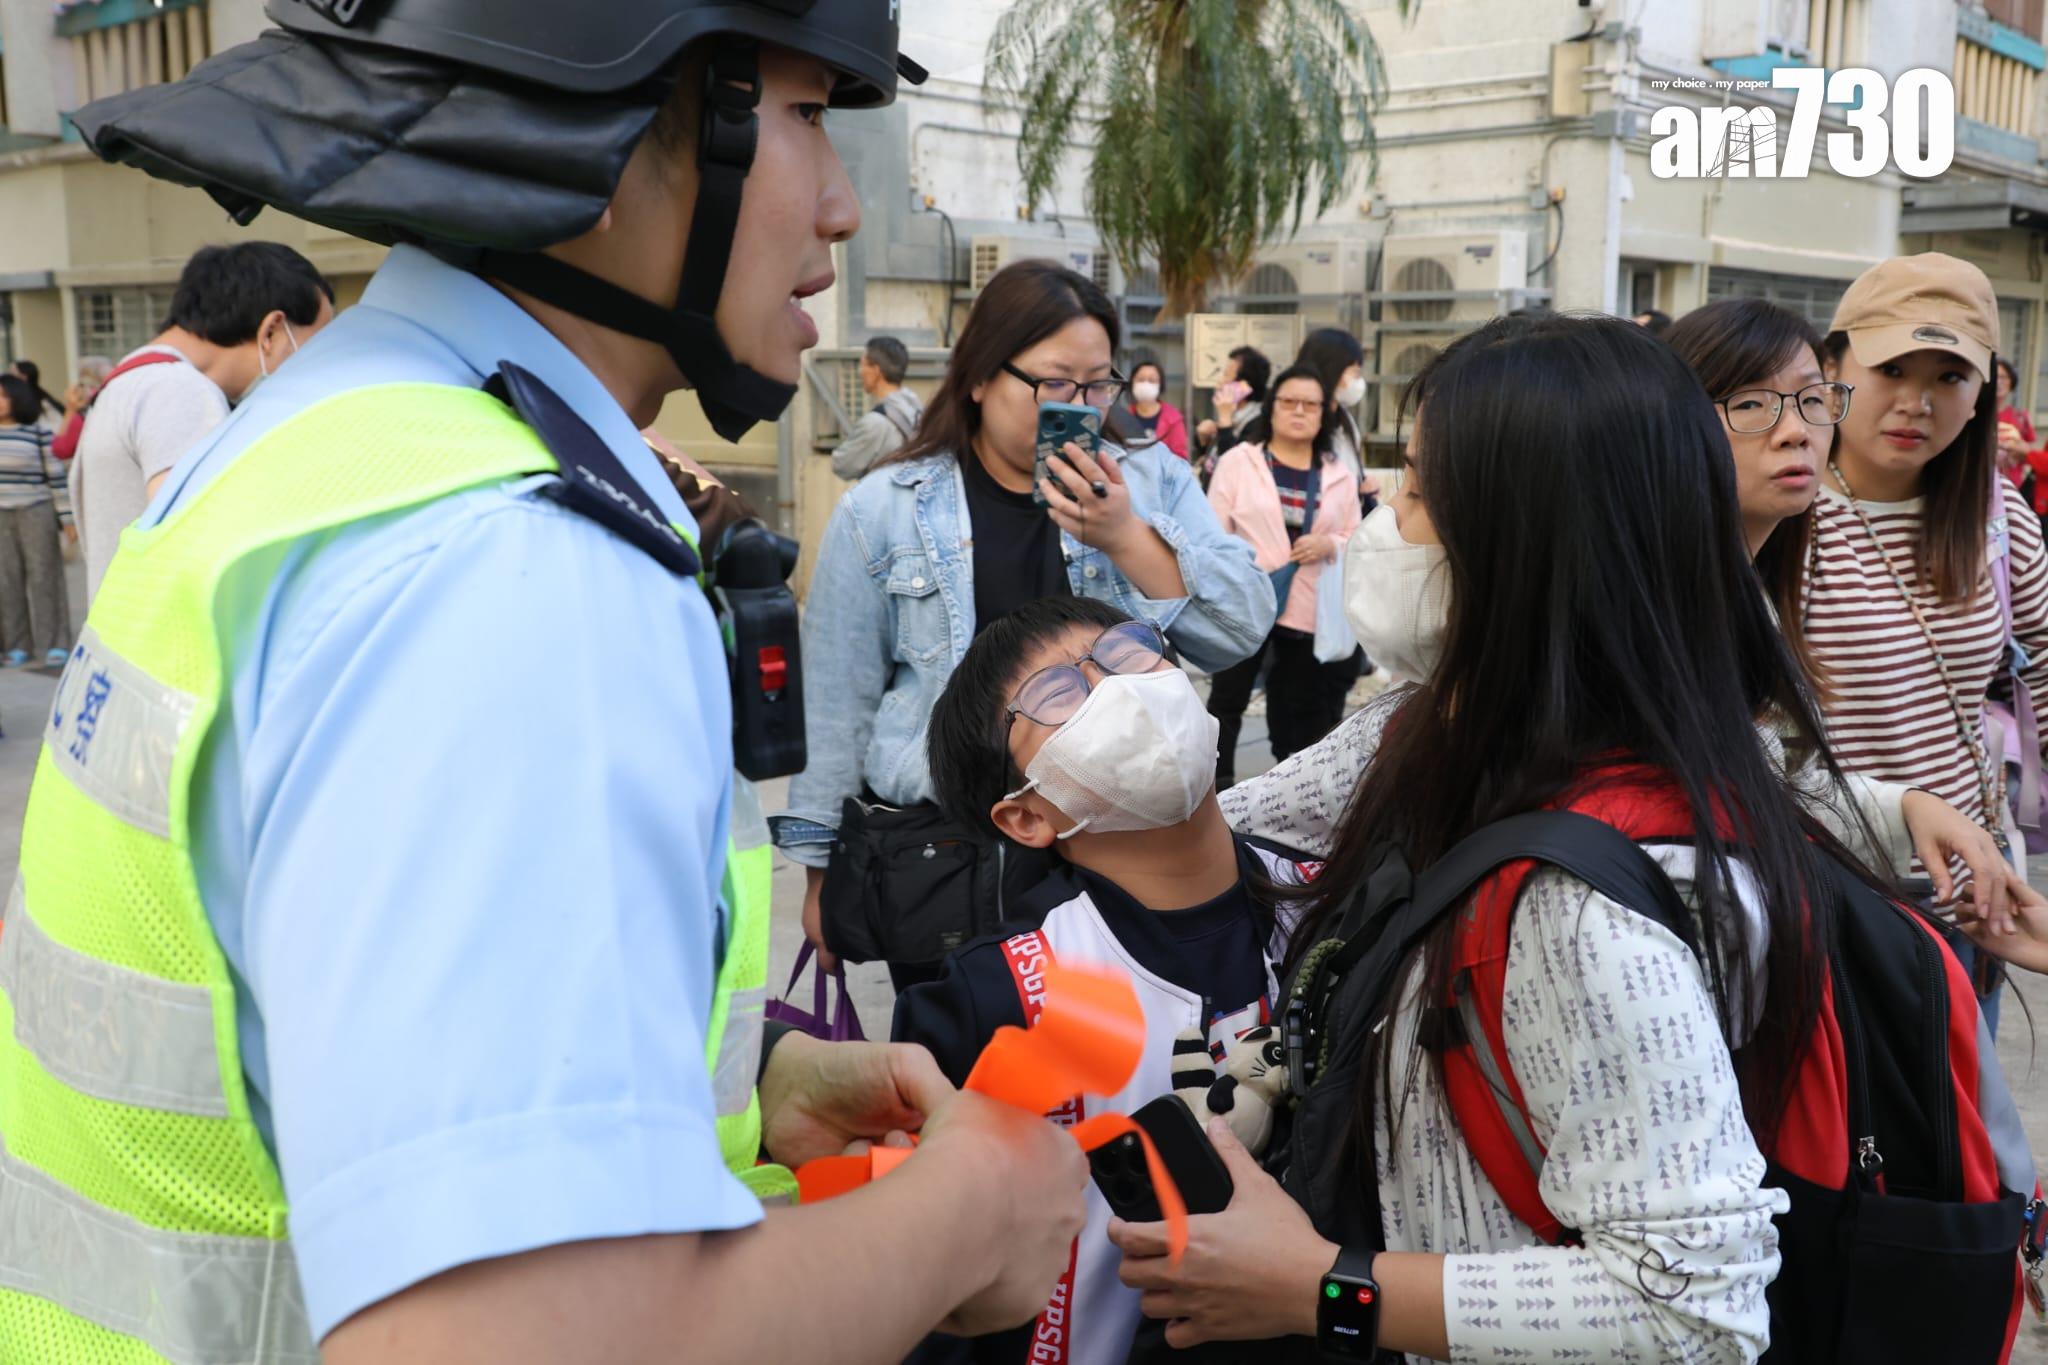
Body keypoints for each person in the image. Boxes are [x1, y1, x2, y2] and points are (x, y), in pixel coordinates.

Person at [18, 4, 1093, 1362]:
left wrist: (736, 1087)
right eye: (809, 116)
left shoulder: (335, 435)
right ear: (606, 126)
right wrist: (971, 1214)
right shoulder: (511, 564)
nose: (840, 205)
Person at [1108, 313, 2023, 1363]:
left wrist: (1321, 1289)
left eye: (1417, 496)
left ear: (1515, 545)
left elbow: (1695, 1307)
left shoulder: (1573, 904)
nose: (1384, 522)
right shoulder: (1451, 733)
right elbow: (1240, 826)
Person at [779, 258, 1272, 990]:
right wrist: (818, 869)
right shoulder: (884, 508)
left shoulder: (1149, 481)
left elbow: (1240, 628)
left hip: (1120, 843)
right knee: (960, 1042)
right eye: (1055, 384)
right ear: (980, 376)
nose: (1081, 406)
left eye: (1098, 384)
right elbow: (834, 699)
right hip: (949, 852)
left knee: (1119, 1045)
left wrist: (1125, 536)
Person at [894, 596, 1316, 1365]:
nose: (1118, 687)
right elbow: (937, 1288)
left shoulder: (1324, 901)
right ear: (1026, 817)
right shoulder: (1007, 993)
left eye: (1126, 651)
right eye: (1059, 691)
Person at [71, 241, 335, 601]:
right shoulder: (181, 391)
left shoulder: (133, 379)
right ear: (272, 330)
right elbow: (205, 547)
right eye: (310, 347)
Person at [1203, 365, 1362, 786]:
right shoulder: (1239, 461)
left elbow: (1355, 533)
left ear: (1323, 413)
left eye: (1310, 404)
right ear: (1271, 408)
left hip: (1306, 605)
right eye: (1289, 402)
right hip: (1245, 600)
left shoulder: (1338, 474)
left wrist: (1329, 544)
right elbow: (1213, 531)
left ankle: (1288, 793)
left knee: (1296, 703)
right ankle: (1217, 789)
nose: (1299, 411)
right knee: (1227, 700)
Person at [0, 374, 71, 667]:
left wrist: (67, 518)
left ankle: (54, 643)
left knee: (44, 577)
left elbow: (57, 478)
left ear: (18, 399)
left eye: (4, 395)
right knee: (6, 581)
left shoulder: (38, 432)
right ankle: (17, 645)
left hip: (35, 510)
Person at [833, 333, 924, 480]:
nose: (860, 371)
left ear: (876, 371)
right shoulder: (918, 410)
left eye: (862, 364)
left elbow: (842, 465)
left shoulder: (875, 423)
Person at [1194, 344, 1270, 472]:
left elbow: (1231, 466)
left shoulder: (1258, 424)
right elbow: (1211, 461)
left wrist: (1225, 421)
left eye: (1226, 375)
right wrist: (1203, 441)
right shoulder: (1233, 415)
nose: (1220, 383)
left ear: (1244, 386)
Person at [1112, 352, 1188, 459]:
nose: (1146, 384)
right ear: (1132, 383)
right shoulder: (1123, 417)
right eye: (1140, 380)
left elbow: (1180, 457)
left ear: (1160, 385)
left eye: (1152, 380)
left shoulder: (1174, 419)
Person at [49, 354, 113, 463]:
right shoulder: (116, 404)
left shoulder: (85, 413)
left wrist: (70, 410)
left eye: (82, 384)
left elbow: (61, 450)